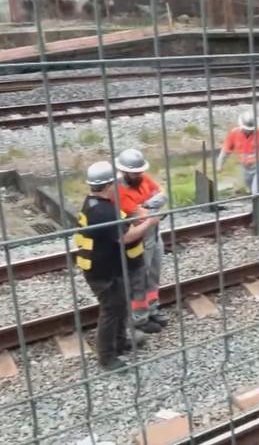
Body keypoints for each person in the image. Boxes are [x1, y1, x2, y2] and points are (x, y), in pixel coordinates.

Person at [74, 161, 159, 371]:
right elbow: (125, 237)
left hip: (109, 268)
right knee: (111, 311)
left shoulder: (97, 204)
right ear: (108, 185)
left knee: (120, 306)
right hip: (104, 272)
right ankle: (107, 357)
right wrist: (149, 222)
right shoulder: (102, 211)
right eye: (115, 182)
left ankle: (120, 343)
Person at [114, 149, 168, 334]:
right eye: (134, 173)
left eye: (139, 172)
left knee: (153, 274)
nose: (138, 175)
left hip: (154, 233)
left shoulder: (143, 179)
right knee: (139, 279)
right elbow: (139, 216)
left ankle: (153, 308)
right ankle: (138, 317)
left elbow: (162, 194)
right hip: (139, 239)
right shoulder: (118, 190)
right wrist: (150, 208)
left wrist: (146, 206)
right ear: (123, 171)